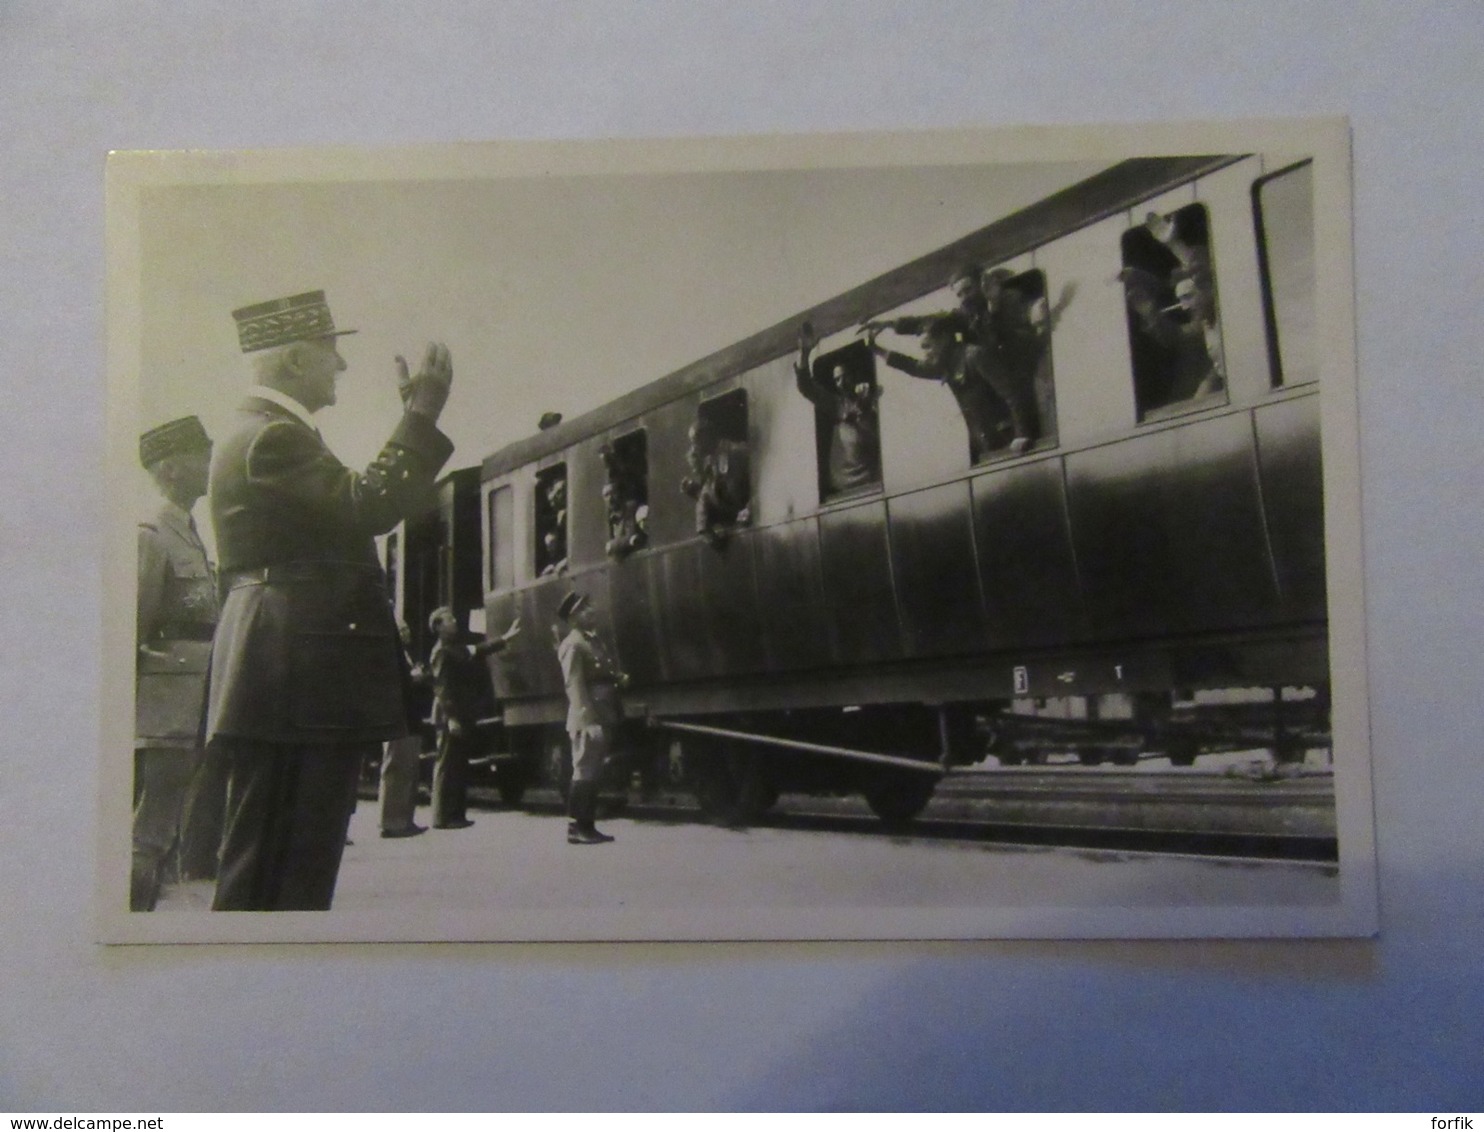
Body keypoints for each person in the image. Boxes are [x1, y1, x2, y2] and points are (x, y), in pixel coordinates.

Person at [204, 290, 456, 911]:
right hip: (299, 679)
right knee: (288, 870)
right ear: (293, 360)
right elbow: (367, 504)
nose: (340, 366)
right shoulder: (273, 439)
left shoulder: (265, 434)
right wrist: (420, 415)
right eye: (331, 352)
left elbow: (358, 505)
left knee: (276, 864)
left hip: (288, 673)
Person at [132, 415, 218, 911]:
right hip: (166, 705)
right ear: (169, 467)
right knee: (153, 830)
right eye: (199, 455)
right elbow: (134, 631)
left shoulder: (189, 532)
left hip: (194, 699)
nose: (209, 464)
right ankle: (132, 920)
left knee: (172, 834)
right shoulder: (152, 534)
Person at [864, 265, 1037, 452]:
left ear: (982, 284)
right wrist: (887, 327)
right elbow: (922, 339)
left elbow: (1012, 389)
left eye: (968, 290)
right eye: (960, 294)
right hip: (988, 436)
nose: (965, 298)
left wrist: (1022, 434)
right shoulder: (962, 322)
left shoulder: (1005, 303)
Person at [427, 605, 521, 829]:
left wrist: (504, 639)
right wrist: (451, 718)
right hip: (450, 715)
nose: (454, 622)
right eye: (449, 620)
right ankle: (442, 817)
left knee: (458, 764)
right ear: (439, 627)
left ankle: (456, 815)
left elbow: (478, 650)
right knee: (447, 765)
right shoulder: (441, 651)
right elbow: (442, 688)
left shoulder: (453, 648)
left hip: (460, 713)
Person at [867, 318, 1009, 462]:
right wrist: (877, 349)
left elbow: (1010, 393)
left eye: (928, 346)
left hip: (1007, 441)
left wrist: (1023, 435)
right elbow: (913, 366)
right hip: (986, 445)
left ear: (944, 340)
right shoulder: (947, 365)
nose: (925, 354)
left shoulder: (973, 355)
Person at [555, 591, 626, 845]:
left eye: (590, 606)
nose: (592, 611)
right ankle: (576, 828)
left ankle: (588, 826)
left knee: (592, 772)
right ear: (573, 617)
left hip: (602, 712)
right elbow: (574, 685)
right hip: (588, 716)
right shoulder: (573, 644)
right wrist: (588, 721)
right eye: (585, 609)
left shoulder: (592, 641)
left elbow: (599, 673)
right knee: (584, 771)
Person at [793, 321, 881, 494]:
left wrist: (868, 405)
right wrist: (804, 354)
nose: (841, 383)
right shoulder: (836, 404)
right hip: (844, 484)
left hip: (870, 480)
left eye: (845, 377)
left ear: (854, 376)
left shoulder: (870, 397)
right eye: (837, 380)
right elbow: (806, 387)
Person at [377, 621, 429, 839]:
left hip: (407, 718)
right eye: (402, 630)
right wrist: (414, 677)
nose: (407, 632)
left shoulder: (404, 654)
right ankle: (392, 822)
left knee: (406, 768)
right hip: (399, 718)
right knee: (396, 767)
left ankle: (403, 819)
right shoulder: (391, 654)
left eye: (407, 628)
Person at [679, 418, 750, 547]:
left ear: (706, 437)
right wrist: (696, 491)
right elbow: (719, 497)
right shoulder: (713, 462)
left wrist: (751, 507)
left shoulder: (735, 452)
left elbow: (737, 492)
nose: (694, 448)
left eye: (695, 442)